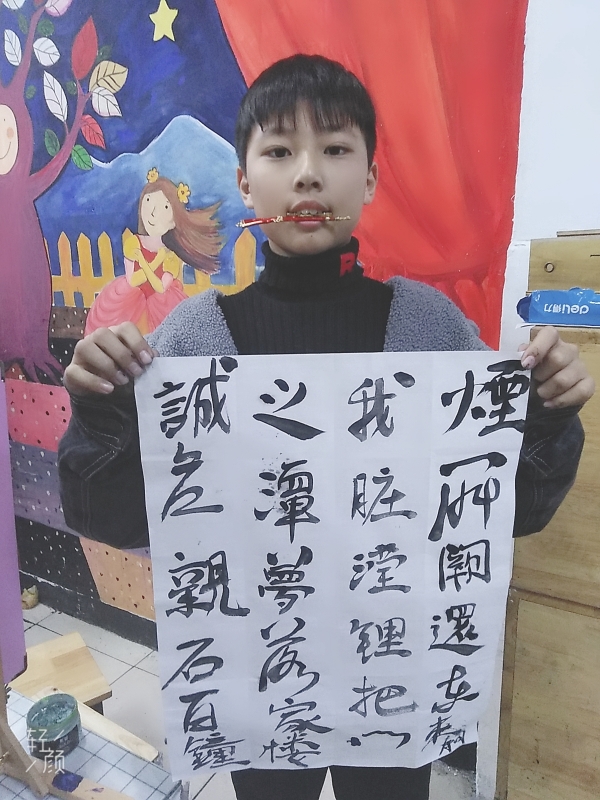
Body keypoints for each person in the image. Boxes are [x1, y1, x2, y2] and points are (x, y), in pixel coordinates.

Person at [58, 55, 594, 800]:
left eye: (336, 149)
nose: (308, 174)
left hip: (393, 672)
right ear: (245, 182)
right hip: (260, 676)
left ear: (369, 179)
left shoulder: (429, 331)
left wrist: (546, 417)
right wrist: (102, 412)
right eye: (279, 151)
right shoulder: (191, 343)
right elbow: (108, 517)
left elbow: (516, 509)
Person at [85, 170, 222, 336]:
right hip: (130, 302)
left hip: (162, 305)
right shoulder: (133, 243)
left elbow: (160, 287)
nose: (153, 212)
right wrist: (156, 261)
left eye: (165, 207)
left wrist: (145, 262)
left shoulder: (171, 255)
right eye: (148, 201)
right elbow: (133, 280)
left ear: (174, 220)